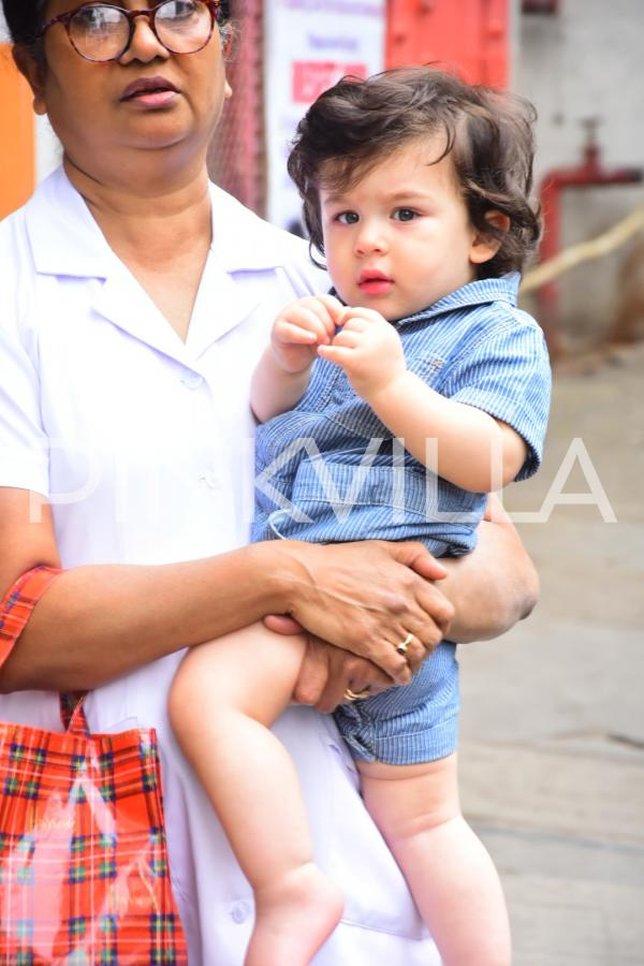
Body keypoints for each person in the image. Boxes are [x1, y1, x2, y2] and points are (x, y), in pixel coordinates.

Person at [0, 3, 539, 962]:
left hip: (340, 837)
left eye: (179, 11)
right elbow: (14, 624)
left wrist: (392, 609)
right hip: (93, 846)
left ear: (228, 51)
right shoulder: (11, 297)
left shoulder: (332, 277)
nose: (147, 44)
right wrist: (289, 581)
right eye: (92, 17)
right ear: (32, 75)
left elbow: (503, 568)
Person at [170, 65, 551, 966]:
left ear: (487, 234)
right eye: (344, 218)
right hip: (304, 596)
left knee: (424, 820)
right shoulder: (335, 319)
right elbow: (262, 421)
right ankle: (293, 882)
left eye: (405, 214)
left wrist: (389, 383)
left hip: (396, 604)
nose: (367, 243)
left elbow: (492, 455)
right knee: (226, 712)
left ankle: (310, 894)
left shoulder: (492, 333)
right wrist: (287, 366)